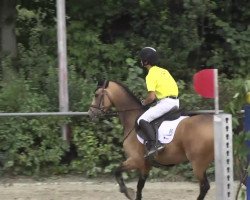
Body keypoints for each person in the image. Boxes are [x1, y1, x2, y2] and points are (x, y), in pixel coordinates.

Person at [137, 47, 179, 157]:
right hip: (175, 102)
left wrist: (143, 103)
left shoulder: (150, 75)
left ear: (146, 61)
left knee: (142, 119)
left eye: (142, 59)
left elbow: (151, 97)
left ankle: (155, 145)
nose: (140, 61)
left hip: (166, 103)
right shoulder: (164, 71)